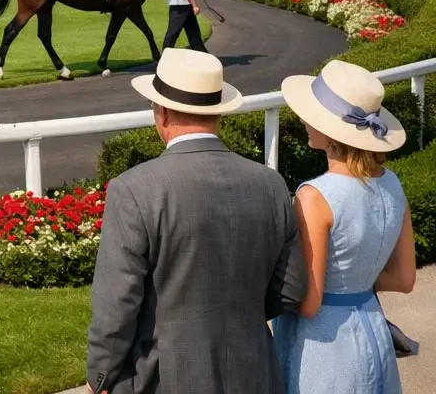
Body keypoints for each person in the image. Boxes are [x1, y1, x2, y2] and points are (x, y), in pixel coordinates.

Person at [87, 48, 305, 394]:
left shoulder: (134, 189)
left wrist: (99, 376)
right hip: (253, 371)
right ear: (216, 113)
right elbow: (290, 291)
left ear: (162, 114)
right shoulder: (270, 184)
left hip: (164, 377)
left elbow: (116, 306)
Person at [273, 60, 415, 393]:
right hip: (373, 333)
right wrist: (355, 277)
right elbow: (405, 279)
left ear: (331, 129)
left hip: (325, 346)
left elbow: (309, 302)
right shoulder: (394, 185)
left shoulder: (314, 195)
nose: (305, 118)